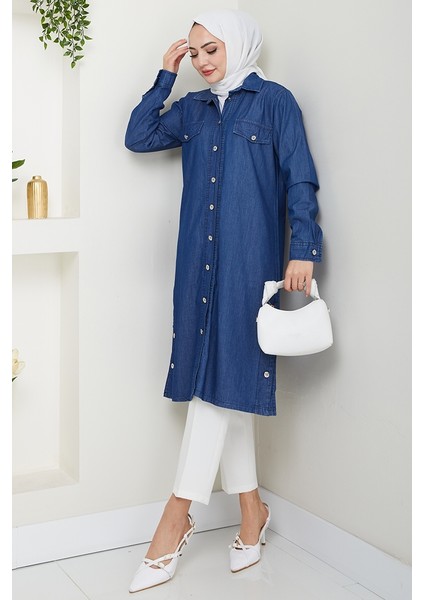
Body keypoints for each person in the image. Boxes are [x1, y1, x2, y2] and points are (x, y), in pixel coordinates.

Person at [125, 8, 323, 593]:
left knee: (221, 382)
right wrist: (166, 75)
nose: (203, 62)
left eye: (211, 49)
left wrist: (304, 247)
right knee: (223, 384)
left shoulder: (274, 102)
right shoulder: (191, 109)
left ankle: (174, 518)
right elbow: (138, 136)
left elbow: (300, 175)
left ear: (238, 44)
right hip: (196, 264)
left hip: (248, 264)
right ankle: (252, 512)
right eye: (194, 53)